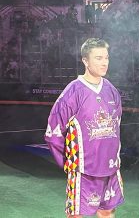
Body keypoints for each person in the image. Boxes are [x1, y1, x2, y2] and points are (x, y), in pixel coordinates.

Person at [44, 38, 124, 217]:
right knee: (77, 214)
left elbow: (117, 126)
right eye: (98, 58)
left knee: (108, 212)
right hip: (84, 171)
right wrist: (69, 163)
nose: (104, 62)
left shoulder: (111, 90)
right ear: (85, 61)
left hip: (110, 168)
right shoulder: (73, 92)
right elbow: (53, 133)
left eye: (106, 57)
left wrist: (114, 157)